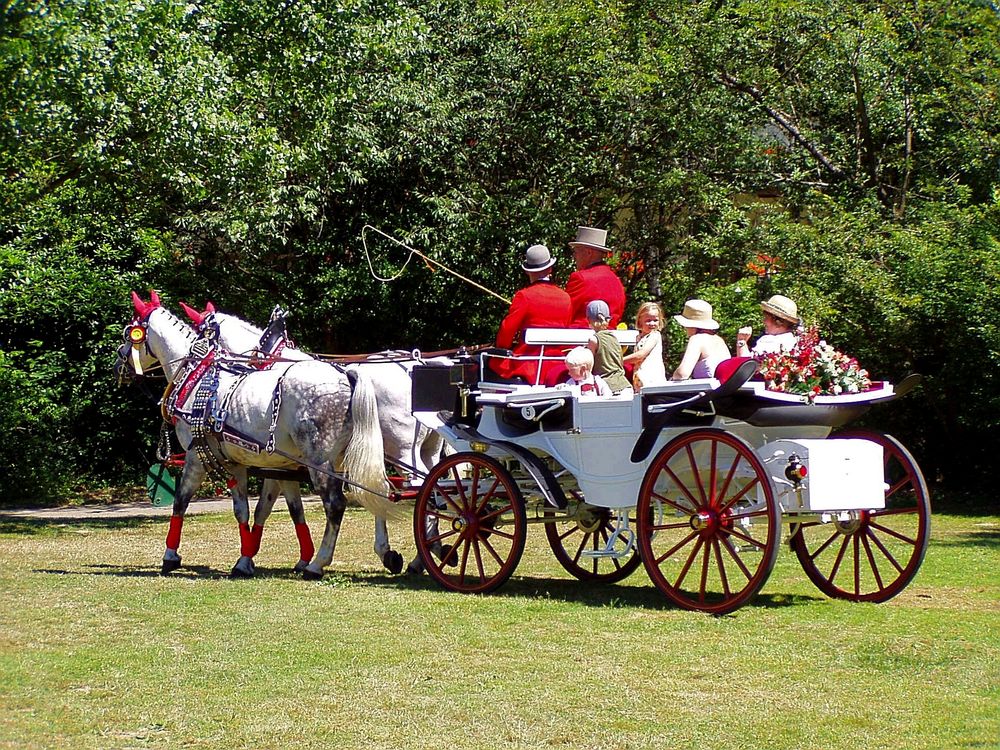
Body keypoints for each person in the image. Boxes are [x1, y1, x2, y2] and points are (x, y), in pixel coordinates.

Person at [489, 243, 572, 384]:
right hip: (557, 365)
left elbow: (507, 330)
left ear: (528, 271)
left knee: (486, 362)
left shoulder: (524, 296)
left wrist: (499, 348)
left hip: (529, 365)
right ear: (550, 268)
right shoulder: (566, 298)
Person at [564, 226, 626, 328]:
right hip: (609, 340)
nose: (574, 256)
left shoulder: (580, 278)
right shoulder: (616, 280)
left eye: (576, 252)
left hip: (579, 339)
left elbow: (566, 312)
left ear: (589, 252)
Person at [670, 299, 732, 380]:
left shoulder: (696, 339)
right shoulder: (719, 340)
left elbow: (682, 374)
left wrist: (672, 378)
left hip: (706, 391)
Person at [584, 300, 632, 395]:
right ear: (608, 319)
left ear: (588, 319)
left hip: (608, 387)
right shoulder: (614, 338)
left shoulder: (593, 340)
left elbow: (587, 365)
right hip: (625, 385)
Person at [735, 294, 799, 356]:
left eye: (766, 318)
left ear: (778, 322)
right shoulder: (793, 341)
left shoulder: (770, 342)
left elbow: (747, 365)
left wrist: (741, 340)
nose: (764, 321)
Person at [623, 301, 667, 390]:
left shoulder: (655, 335)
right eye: (648, 320)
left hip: (652, 380)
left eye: (655, 320)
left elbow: (640, 355)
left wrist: (619, 361)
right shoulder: (639, 337)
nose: (652, 323)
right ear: (640, 320)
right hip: (640, 379)